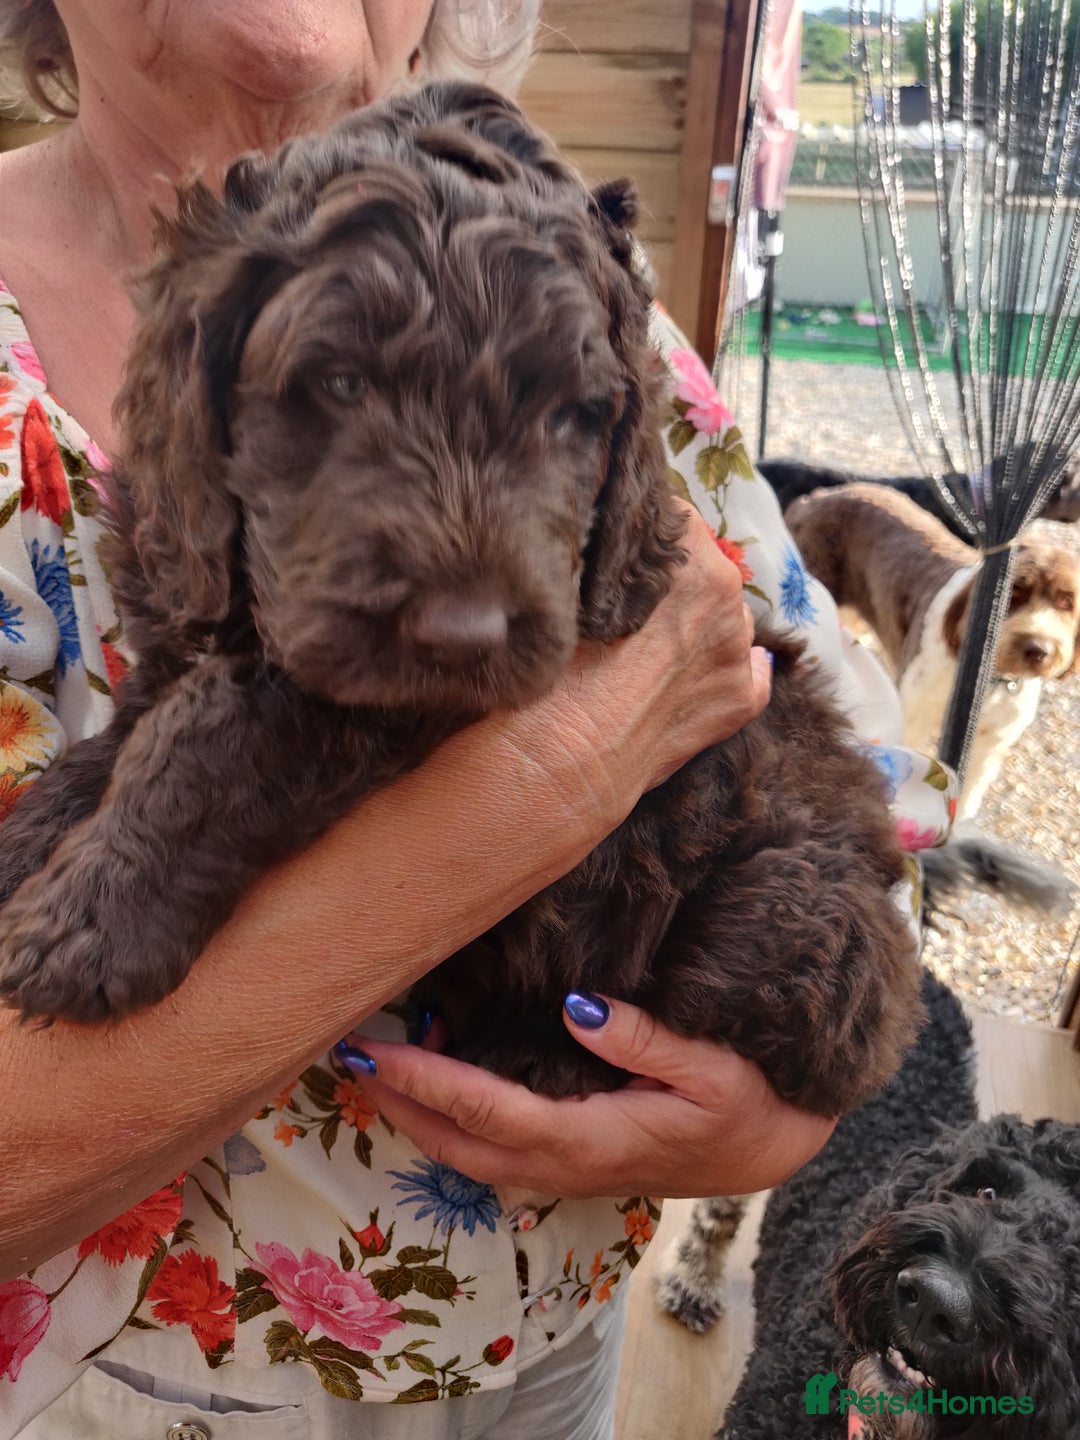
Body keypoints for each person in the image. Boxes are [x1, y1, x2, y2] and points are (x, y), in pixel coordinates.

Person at [0, 3, 953, 1437]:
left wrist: (771, 1122)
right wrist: (548, 780)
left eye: (551, 419)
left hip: (552, 1343)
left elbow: (859, 802)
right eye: (335, 386)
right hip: (127, 1388)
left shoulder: (582, 277)